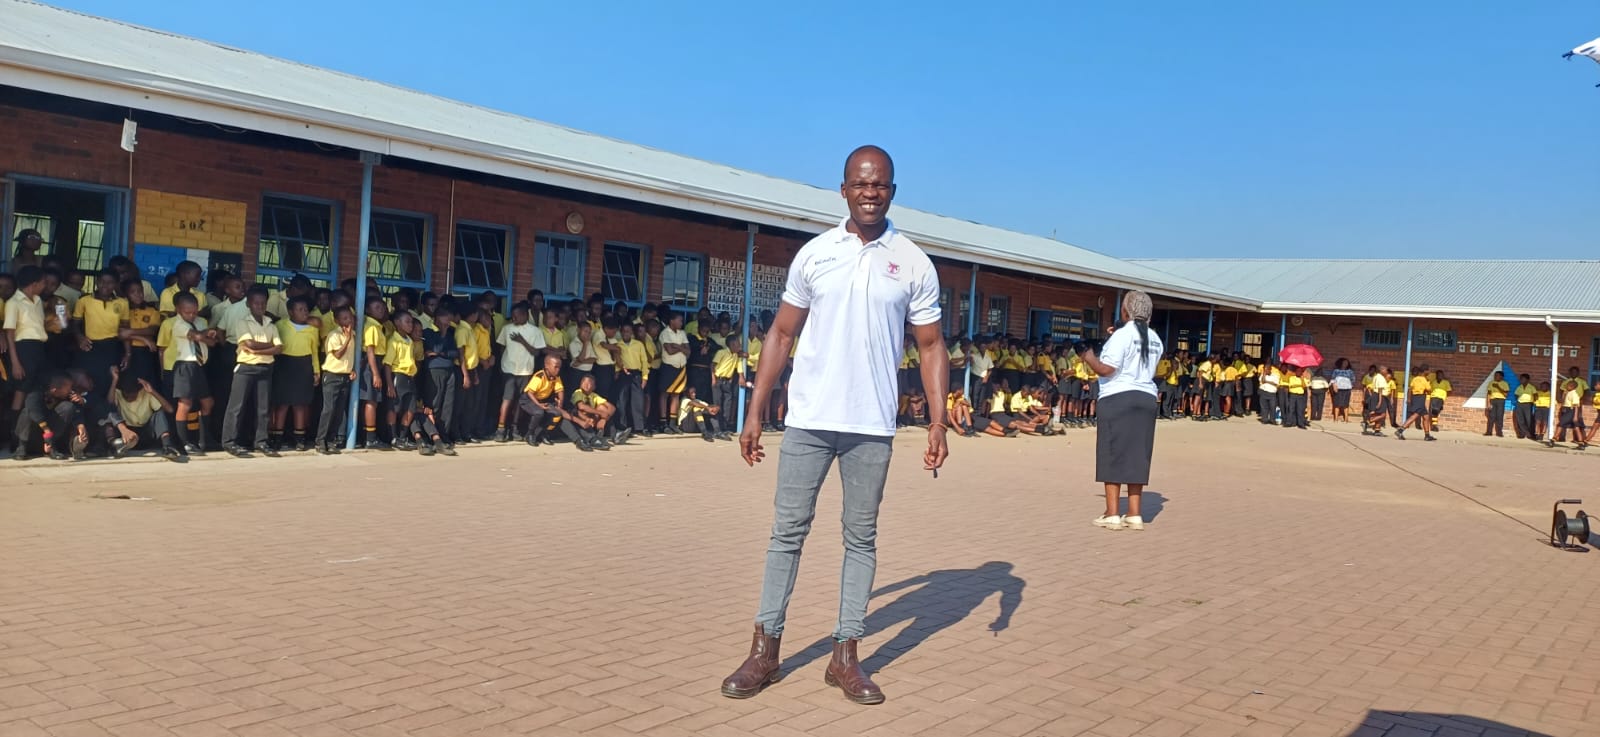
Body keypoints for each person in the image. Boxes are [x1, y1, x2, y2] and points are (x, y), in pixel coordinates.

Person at [723, 146, 948, 707]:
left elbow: (931, 345)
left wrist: (939, 419)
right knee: (786, 534)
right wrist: (755, 409)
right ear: (844, 190)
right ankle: (764, 651)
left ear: (892, 192)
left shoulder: (913, 262)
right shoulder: (815, 254)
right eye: (861, 184)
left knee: (860, 538)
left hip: (872, 425)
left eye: (881, 185)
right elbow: (781, 334)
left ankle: (845, 656)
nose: (871, 193)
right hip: (809, 420)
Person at [1076, 291, 1163, 532]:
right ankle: (1134, 514)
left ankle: (1112, 513)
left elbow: (1107, 369)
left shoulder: (1122, 335)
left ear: (1125, 312)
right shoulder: (1155, 338)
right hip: (1146, 398)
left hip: (1118, 397)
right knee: (1138, 454)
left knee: (1112, 451)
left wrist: (1088, 356)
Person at [221, 288, 283, 457]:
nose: (260, 306)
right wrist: (269, 345)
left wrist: (257, 350)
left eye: (263, 303)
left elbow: (279, 348)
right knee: (237, 407)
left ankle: (260, 441)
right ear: (248, 304)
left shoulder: (270, 324)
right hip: (246, 368)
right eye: (256, 303)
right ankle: (229, 442)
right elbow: (250, 344)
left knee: (263, 408)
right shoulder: (243, 323)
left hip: (266, 367)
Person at [157, 292, 217, 455]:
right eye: (187, 312)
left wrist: (206, 335)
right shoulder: (178, 324)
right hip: (185, 365)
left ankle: (203, 439)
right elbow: (196, 336)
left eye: (195, 312)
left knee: (207, 402)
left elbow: (211, 342)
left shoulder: (201, 321)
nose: (191, 315)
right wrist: (207, 333)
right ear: (178, 310)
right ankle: (184, 443)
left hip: (199, 365)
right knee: (185, 404)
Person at [271, 297, 320, 451]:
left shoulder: (312, 330)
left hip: (304, 366)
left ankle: (299, 438)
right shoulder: (280, 325)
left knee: (300, 404)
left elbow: (314, 352)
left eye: (306, 309)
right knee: (282, 404)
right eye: (300, 309)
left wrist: (316, 371)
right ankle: (277, 437)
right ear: (290, 312)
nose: (304, 312)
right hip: (284, 365)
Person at [103, 367, 181, 461]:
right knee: (109, 416)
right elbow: (109, 405)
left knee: (159, 414)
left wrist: (152, 391)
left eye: (133, 395)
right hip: (126, 434)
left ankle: (168, 447)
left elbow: (170, 410)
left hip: (145, 432)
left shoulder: (146, 393)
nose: (130, 398)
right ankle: (114, 447)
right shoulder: (117, 393)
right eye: (127, 395)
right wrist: (115, 380)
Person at [494, 302, 544, 442]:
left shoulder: (535, 331)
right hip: (509, 370)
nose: (514, 319)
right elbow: (501, 347)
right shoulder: (507, 328)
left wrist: (522, 341)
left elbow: (536, 352)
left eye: (516, 316)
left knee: (519, 401)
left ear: (525, 315)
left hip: (525, 371)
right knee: (507, 399)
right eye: (513, 316)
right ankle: (501, 428)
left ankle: (514, 428)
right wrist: (501, 366)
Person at [12, 371, 88, 461]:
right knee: (27, 412)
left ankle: (51, 447)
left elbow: (76, 410)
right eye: (68, 389)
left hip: (49, 439)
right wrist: (47, 431)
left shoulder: (67, 396)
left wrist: (80, 425)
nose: (70, 391)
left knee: (68, 407)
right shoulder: (37, 392)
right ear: (55, 390)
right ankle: (21, 447)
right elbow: (33, 408)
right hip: (32, 437)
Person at [316, 306, 357, 454]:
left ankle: (330, 439)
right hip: (332, 375)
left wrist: (352, 369)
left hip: (345, 376)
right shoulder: (333, 335)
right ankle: (320, 440)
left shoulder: (354, 334)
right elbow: (338, 355)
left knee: (339, 411)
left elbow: (350, 357)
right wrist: (347, 339)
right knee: (329, 409)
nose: (349, 321)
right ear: (337, 321)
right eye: (345, 318)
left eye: (350, 317)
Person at [1395, 365, 1434, 442]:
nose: (1429, 372)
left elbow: (1410, 389)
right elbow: (1429, 390)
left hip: (1415, 397)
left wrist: (1409, 399)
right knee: (1415, 415)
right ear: (1425, 371)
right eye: (1428, 370)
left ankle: (1427, 435)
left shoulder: (1415, 379)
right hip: (1420, 398)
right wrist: (1427, 390)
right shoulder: (1424, 380)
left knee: (1426, 417)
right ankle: (1400, 430)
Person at [1484, 370, 1509, 438]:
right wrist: (1488, 403)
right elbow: (1489, 393)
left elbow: (1506, 394)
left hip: (1501, 401)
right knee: (1491, 417)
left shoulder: (1505, 384)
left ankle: (1499, 432)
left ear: (1501, 377)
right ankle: (1489, 432)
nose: (1495, 377)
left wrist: (1498, 387)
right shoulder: (1491, 383)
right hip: (1493, 400)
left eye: (1497, 375)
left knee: (1499, 416)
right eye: (1495, 375)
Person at [1330, 358, 1355, 423]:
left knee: (1346, 404)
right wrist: (1334, 386)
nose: (1345, 364)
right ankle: (1336, 419)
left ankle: (1346, 419)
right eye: (1344, 362)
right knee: (1337, 404)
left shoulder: (1350, 371)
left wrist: (1351, 386)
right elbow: (1332, 379)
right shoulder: (1336, 371)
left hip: (1347, 389)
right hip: (1338, 389)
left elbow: (1353, 379)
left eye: (1346, 363)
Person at [1513, 373, 1538, 440]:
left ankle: (1531, 434)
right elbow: (1516, 394)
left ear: (1527, 380)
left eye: (1523, 379)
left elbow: (1535, 395)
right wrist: (1518, 399)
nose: (1521, 380)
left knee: (1529, 420)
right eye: (1520, 379)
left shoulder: (1531, 387)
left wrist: (1534, 401)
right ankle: (1521, 434)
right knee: (1520, 419)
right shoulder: (1519, 387)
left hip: (1528, 404)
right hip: (1520, 404)